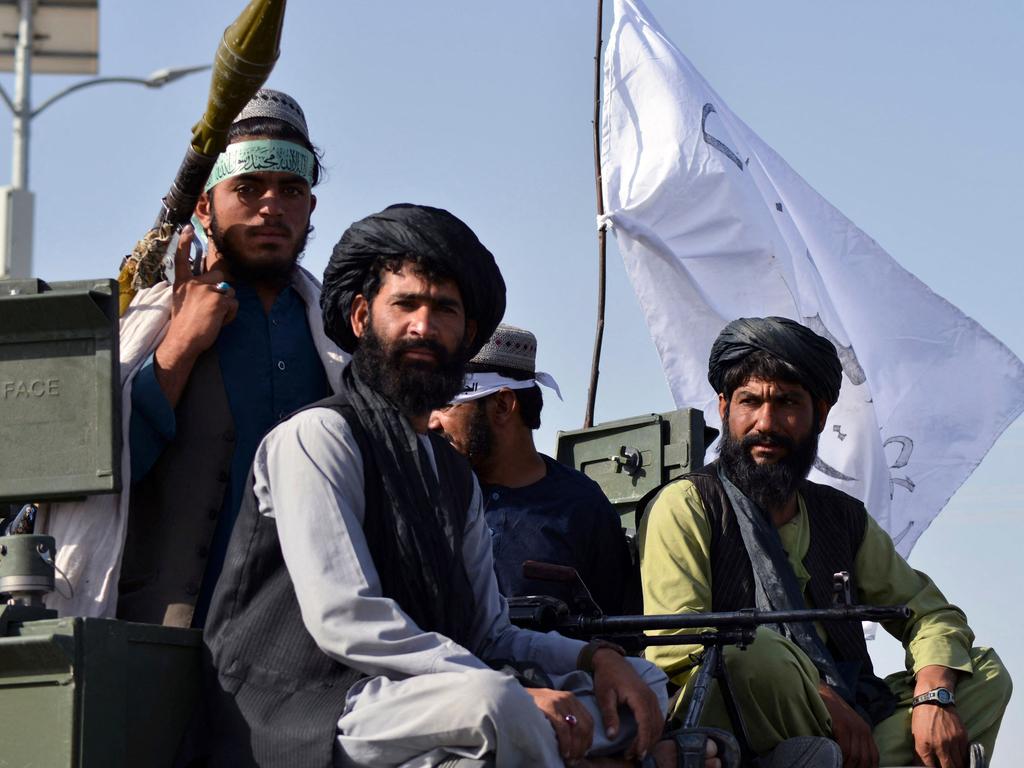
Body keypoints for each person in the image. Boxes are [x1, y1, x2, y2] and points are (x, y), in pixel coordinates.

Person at [197, 204, 703, 768]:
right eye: (405, 304)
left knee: (642, 683)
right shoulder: (318, 437)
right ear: (363, 317)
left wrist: (595, 658)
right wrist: (508, 692)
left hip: (427, 699)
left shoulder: (452, 473)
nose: (424, 326)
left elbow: (491, 633)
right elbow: (347, 621)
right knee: (496, 705)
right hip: (310, 707)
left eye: (444, 310)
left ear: (466, 334)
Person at [639, 316, 1012, 768]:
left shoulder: (841, 516)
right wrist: (824, 700)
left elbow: (930, 613)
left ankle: (832, 758)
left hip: (854, 711)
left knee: (985, 672)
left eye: (788, 403)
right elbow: (680, 643)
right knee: (746, 649)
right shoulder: (688, 504)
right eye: (750, 402)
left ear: (821, 413)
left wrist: (934, 696)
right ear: (724, 408)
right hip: (743, 714)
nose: (766, 423)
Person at [115, 88, 347, 628]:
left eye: (290, 189)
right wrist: (180, 345)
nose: (271, 206)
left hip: (304, 643)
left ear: (310, 206)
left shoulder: (335, 337)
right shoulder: (148, 324)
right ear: (203, 205)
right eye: (247, 187)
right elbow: (107, 474)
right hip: (166, 640)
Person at [429, 323, 633, 614]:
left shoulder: (582, 507)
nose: (431, 422)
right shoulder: (428, 496)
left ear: (502, 405)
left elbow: (613, 632)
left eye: (446, 404)